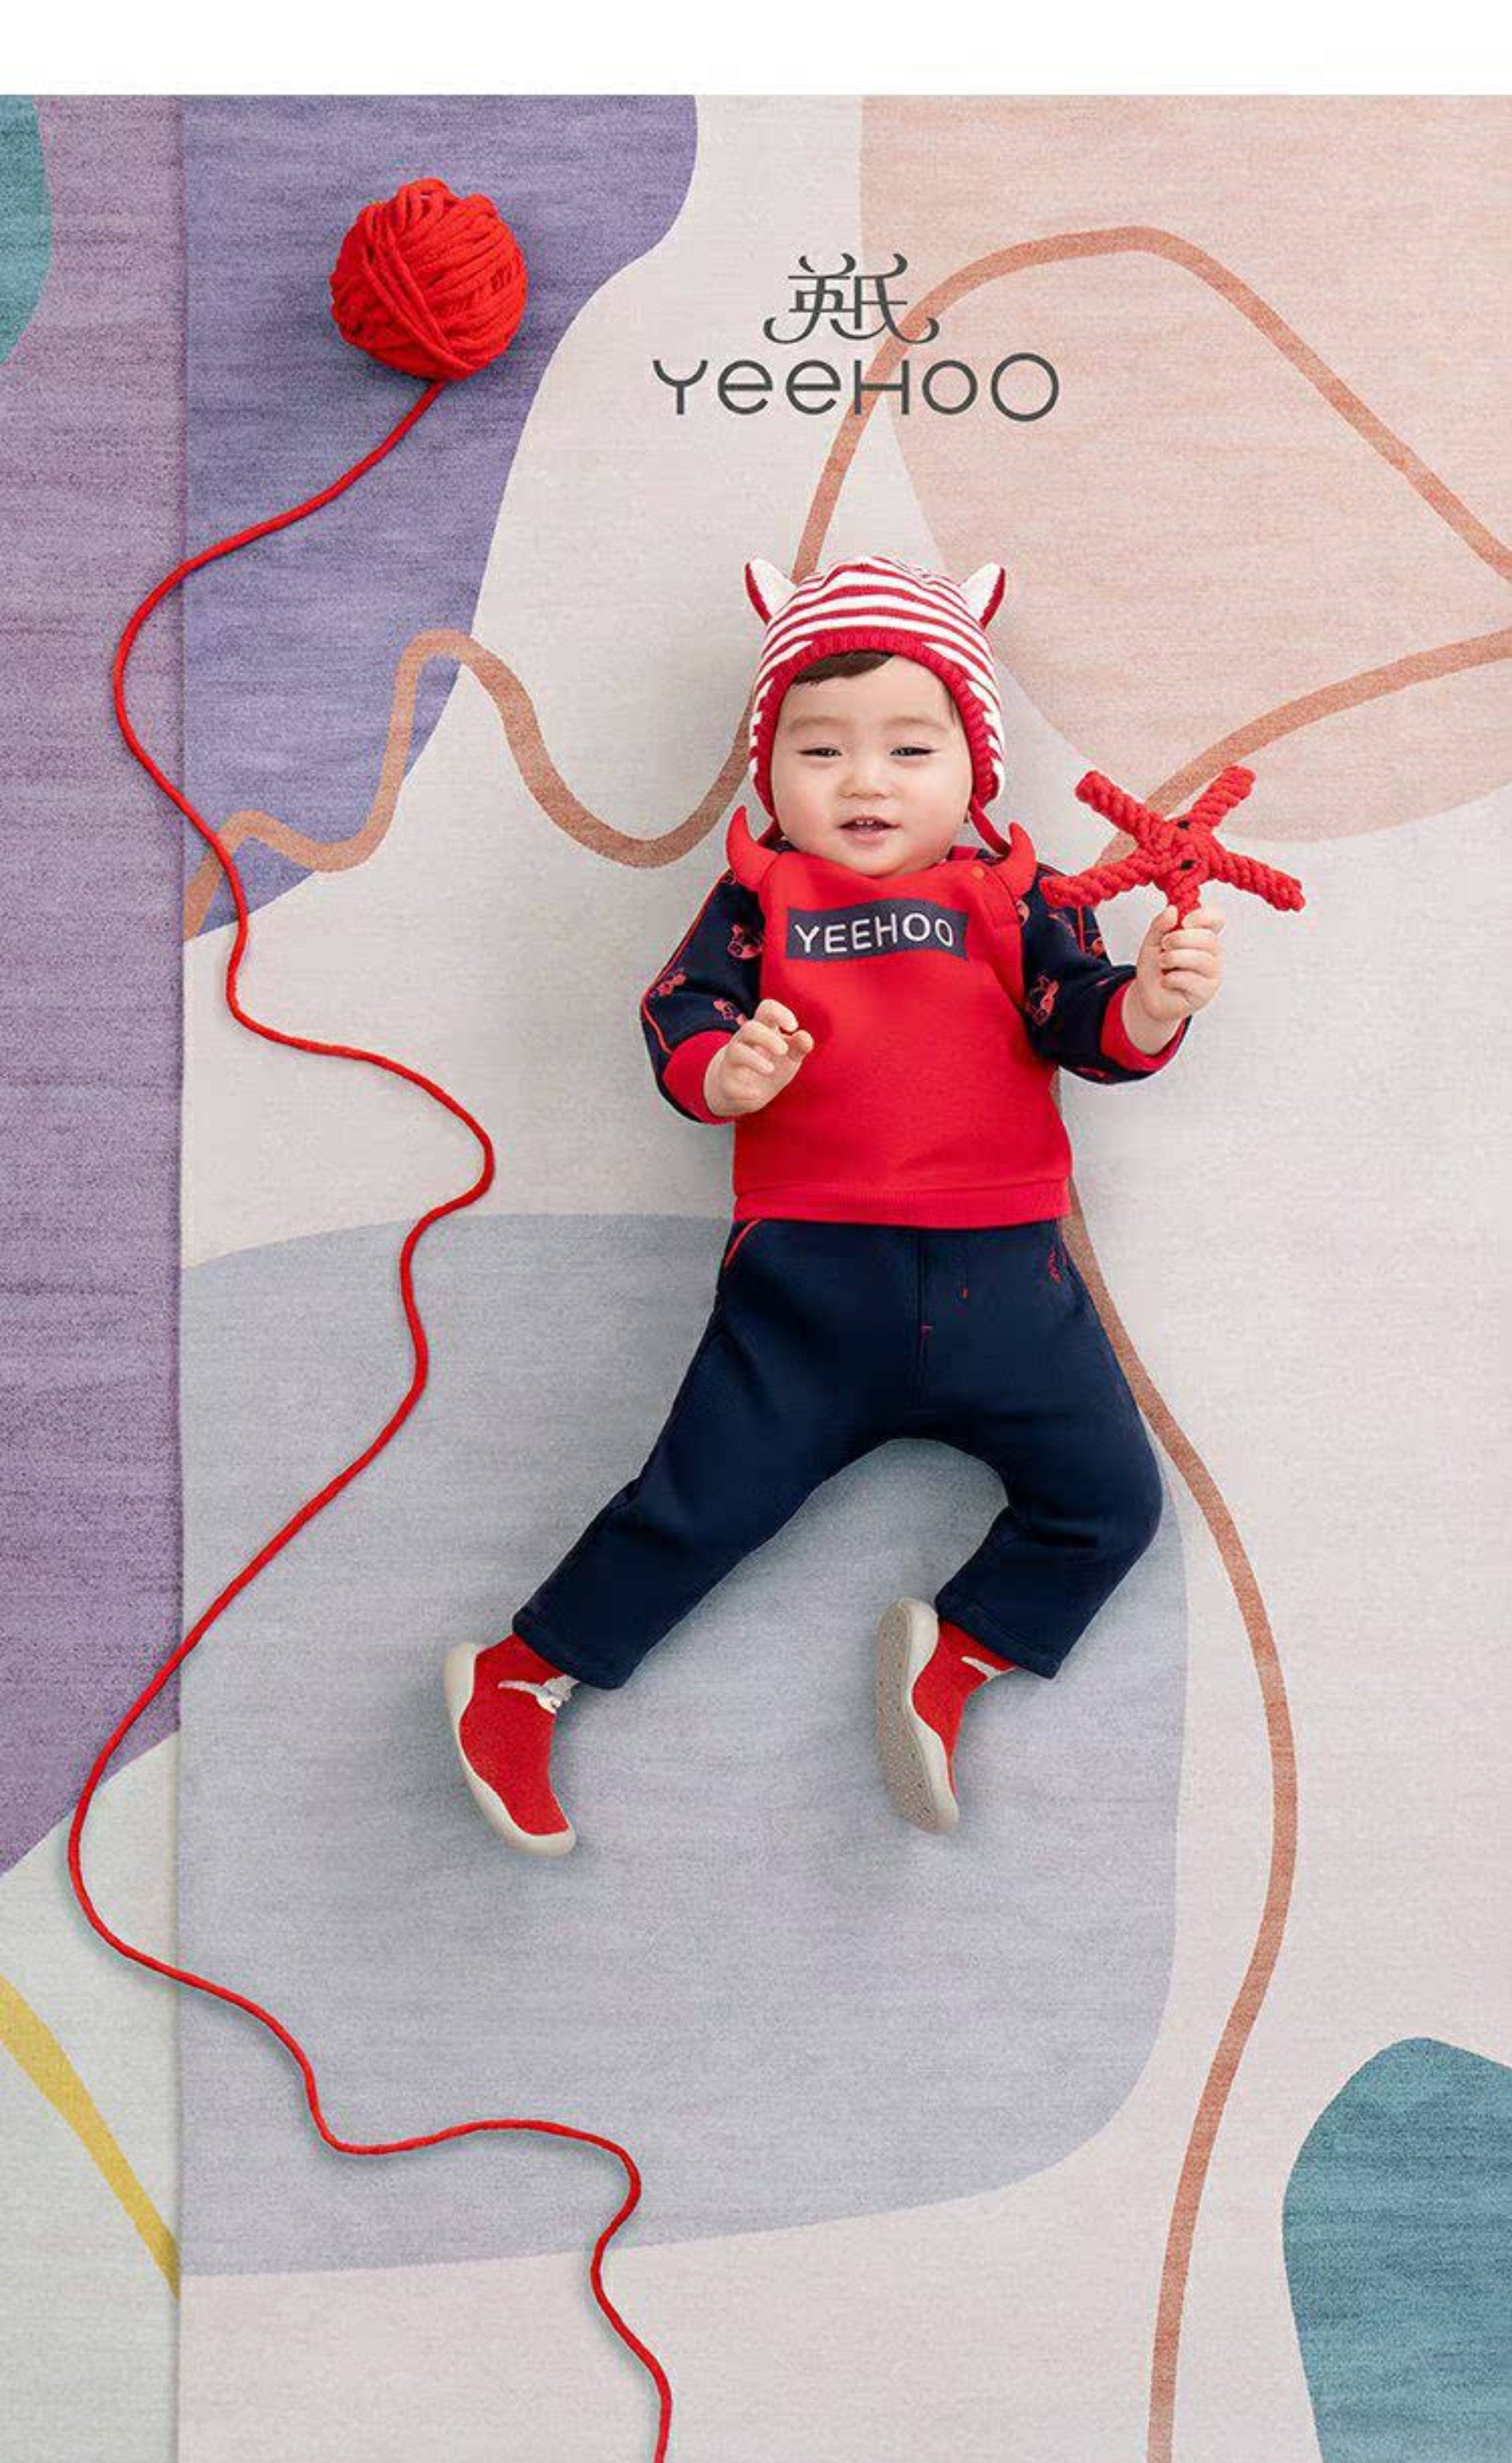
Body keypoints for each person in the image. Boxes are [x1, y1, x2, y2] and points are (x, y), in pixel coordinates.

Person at [444, 555, 1222, 1853]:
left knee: (1110, 1504)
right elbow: (678, 1008)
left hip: (1008, 1283)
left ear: (975, 770)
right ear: (771, 773)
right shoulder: (761, 895)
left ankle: (959, 1652)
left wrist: (1149, 1003)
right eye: (820, 751)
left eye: (910, 749)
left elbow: (1078, 1020)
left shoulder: (1015, 894)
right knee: (696, 1505)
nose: (865, 782)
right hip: (808, 1286)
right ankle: (520, 1675)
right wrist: (724, 1069)